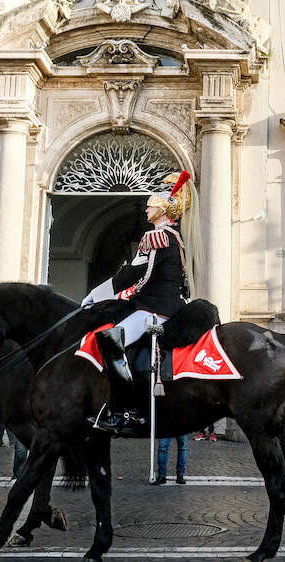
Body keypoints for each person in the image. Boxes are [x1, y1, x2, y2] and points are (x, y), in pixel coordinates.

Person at [83, 171, 195, 434]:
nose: (146, 209)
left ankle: (124, 411)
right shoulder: (176, 238)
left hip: (154, 309)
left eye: (150, 205)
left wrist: (97, 295)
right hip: (171, 307)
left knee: (110, 340)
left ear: (162, 210)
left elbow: (135, 275)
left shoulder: (154, 237)